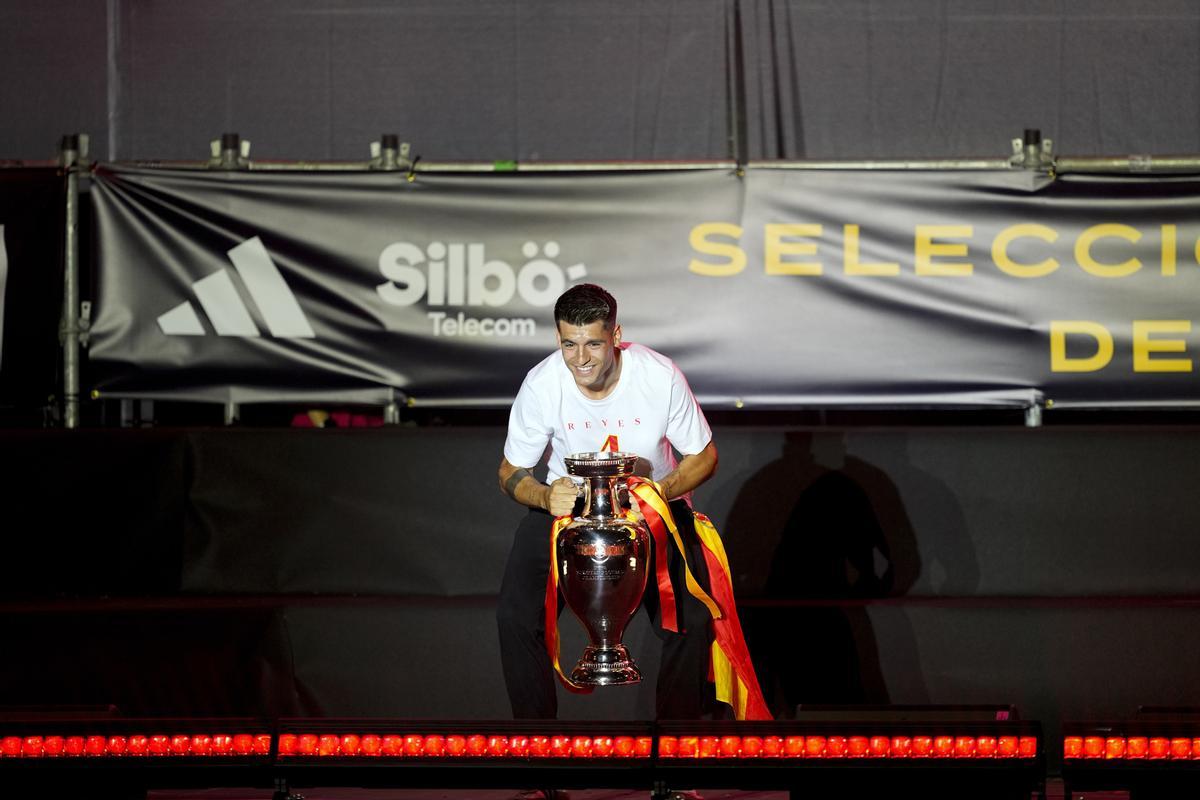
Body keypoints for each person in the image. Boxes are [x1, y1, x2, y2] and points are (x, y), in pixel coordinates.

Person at [496, 283, 720, 720]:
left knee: (692, 620)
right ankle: (539, 761)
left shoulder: (658, 374)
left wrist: (663, 491)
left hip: (649, 507)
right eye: (569, 344)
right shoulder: (542, 383)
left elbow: (704, 455)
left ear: (616, 336)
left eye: (593, 344)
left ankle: (674, 763)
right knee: (515, 617)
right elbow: (509, 472)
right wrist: (544, 495)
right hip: (569, 511)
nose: (580, 359)